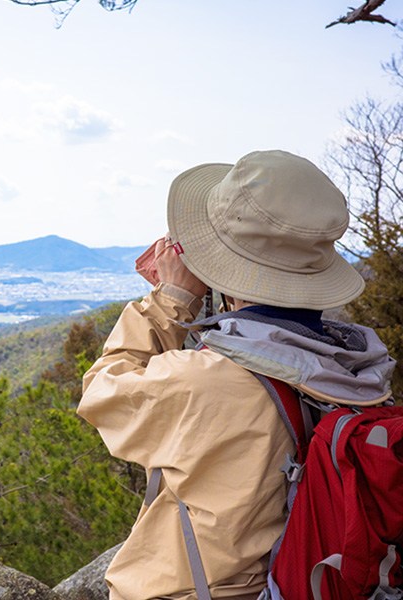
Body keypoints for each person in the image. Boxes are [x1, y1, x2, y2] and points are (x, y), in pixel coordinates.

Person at [77, 150, 396, 600]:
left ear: (226, 271)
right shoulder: (357, 366)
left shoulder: (203, 379)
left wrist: (170, 299)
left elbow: (101, 392)